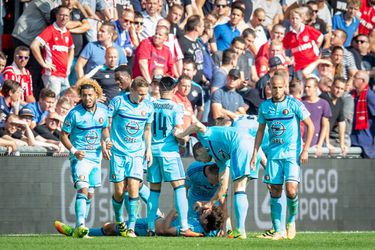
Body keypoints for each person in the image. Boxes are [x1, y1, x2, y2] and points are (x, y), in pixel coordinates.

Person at [251, 74, 314, 240]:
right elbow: (260, 131)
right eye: (274, 87)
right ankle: (278, 231)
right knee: (275, 190)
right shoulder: (265, 107)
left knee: (291, 190)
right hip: (274, 155)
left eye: (280, 87)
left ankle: (291, 221)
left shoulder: (294, 104)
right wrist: (254, 153)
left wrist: (305, 150)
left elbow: (311, 126)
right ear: (269, 87)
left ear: (285, 86)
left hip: (292, 154)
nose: (277, 90)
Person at [176, 120, 265, 239]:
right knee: (241, 190)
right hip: (253, 146)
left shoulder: (205, 138)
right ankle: (240, 229)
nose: (204, 162)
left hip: (241, 145)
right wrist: (209, 203)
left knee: (239, 189)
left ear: (199, 150)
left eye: (200, 159)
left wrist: (181, 135)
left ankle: (241, 230)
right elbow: (223, 189)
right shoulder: (221, 159)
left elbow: (197, 125)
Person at [146, 76, 201, 237]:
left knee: (154, 190)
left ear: (160, 88)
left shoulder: (150, 105)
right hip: (169, 152)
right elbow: (177, 132)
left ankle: (150, 227)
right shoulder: (176, 107)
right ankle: (184, 227)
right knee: (179, 187)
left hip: (152, 152)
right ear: (175, 89)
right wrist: (184, 136)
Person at [60, 78, 110, 238]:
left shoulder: (103, 110)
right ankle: (81, 225)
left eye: (90, 95)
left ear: (96, 95)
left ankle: (78, 230)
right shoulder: (74, 113)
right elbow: (63, 135)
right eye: (84, 95)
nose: (87, 98)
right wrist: (74, 151)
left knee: (89, 193)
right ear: (81, 96)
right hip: (80, 158)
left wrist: (107, 142)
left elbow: (104, 129)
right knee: (82, 188)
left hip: (96, 158)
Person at [106, 76, 154, 238]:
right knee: (119, 191)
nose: (143, 97)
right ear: (132, 90)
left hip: (136, 153)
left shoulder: (148, 106)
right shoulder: (118, 102)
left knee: (134, 188)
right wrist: (107, 140)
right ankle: (120, 221)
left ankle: (131, 227)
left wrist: (148, 149)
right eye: (140, 94)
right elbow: (107, 123)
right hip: (118, 153)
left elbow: (147, 129)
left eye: (145, 94)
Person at [54, 205, 224, 237]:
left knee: (110, 228)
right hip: (154, 221)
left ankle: (75, 232)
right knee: (111, 229)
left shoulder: (192, 231)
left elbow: (164, 230)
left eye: (205, 214)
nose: (203, 213)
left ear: (205, 221)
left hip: (146, 227)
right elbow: (219, 230)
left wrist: (174, 211)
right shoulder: (207, 230)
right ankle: (81, 231)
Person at [30, 5, 74, 97]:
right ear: (57, 15)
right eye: (61, 15)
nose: (64, 18)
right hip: (52, 75)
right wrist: (43, 64)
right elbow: (34, 45)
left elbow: (71, 49)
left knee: (66, 102)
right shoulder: (50, 30)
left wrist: (68, 66)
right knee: (53, 103)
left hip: (64, 75)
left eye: (66, 15)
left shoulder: (67, 31)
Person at [302, 77, 332, 156]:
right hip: (302, 145)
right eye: (305, 86)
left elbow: (325, 126)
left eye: (309, 87)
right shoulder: (301, 103)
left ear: (316, 88)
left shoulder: (324, 104)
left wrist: (319, 144)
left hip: (315, 146)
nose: (306, 89)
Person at [320, 77, 349, 155]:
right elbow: (326, 122)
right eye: (337, 87)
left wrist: (342, 144)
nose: (339, 91)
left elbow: (342, 122)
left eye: (342, 89)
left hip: (326, 138)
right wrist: (327, 143)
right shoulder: (324, 98)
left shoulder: (340, 101)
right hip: (318, 138)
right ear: (331, 86)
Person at [350, 70, 375, 158]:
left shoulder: (370, 96)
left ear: (363, 81)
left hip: (366, 143)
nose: (352, 79)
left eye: (355, 78)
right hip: (351, 140)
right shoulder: (352, 95)